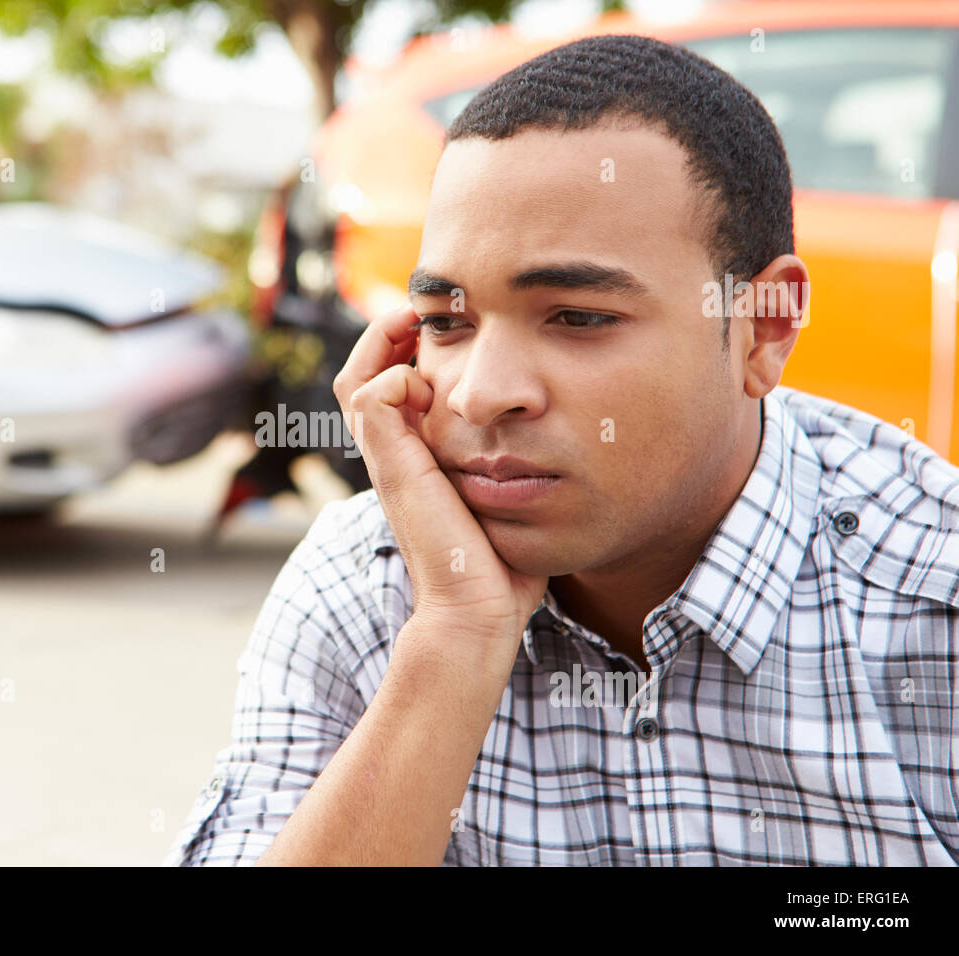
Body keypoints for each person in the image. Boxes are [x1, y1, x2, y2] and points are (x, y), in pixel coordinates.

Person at [165, 33, 959, 866]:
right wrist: (455, 639)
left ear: (763, 326)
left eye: (578, 317)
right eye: (446, 322)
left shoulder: (929, 604)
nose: (478, 392)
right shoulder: (365, 583)